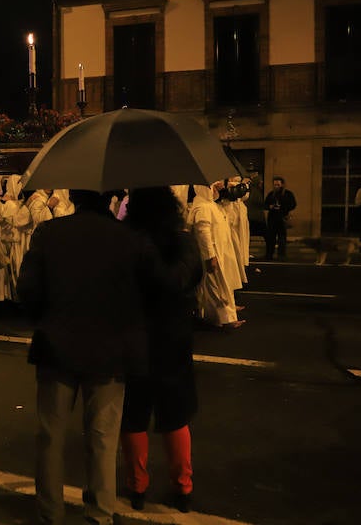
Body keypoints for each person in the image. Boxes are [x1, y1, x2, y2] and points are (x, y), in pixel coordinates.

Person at [17, 189, 161, 525]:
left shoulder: (50, 233)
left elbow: (28, 290)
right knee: (102, 439)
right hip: (111, 351)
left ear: (75, 196)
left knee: (51, 437)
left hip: (57, 347)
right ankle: (99, 513)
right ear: (110, 197)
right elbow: (149, 293)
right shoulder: (129, 239)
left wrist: (49, 316)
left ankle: (50, 513)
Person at [120, 187, 203, 513]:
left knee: (134, 414)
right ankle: (183, 487)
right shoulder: (182, 241)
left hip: (135, 336)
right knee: (174, 414)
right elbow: (188, 279)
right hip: (172, 337)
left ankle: (137, 486)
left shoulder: (127, 243)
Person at [189, 182, 244, 329]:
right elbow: (204, 234)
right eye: (213, 187)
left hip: (220, 253)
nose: (216, 190)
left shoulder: (211, 205)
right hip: (213, 254)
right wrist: (210, 256)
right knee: (215, 288)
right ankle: (223, 319)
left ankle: (222, 317)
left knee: (219, 286)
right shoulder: (203, 208)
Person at [263, 176, 296, 260]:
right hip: (272, 219)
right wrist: (270, 207)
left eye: (278, 184)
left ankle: (281, 255)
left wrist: (283, 208)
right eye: (275, 185)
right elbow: (265, 205)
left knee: (282, 238)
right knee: (271, 238)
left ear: (282, 185)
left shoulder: (288, 194)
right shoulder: (271, 194)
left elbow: (293, 204)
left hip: (282, 218)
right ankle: (269, 254)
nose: (276, 186)